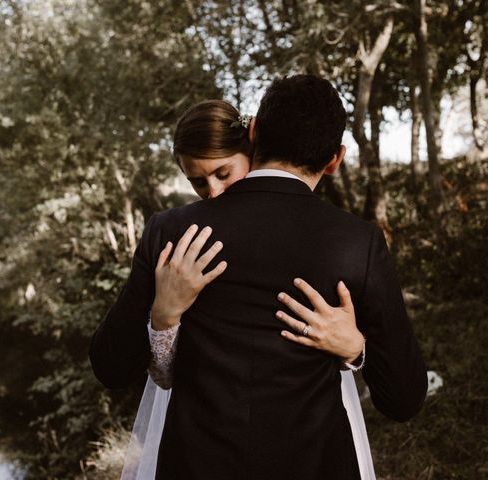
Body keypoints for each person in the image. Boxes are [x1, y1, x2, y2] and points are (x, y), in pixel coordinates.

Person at [90, 75, 428, 480]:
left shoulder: (170, 232)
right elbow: (403, 400)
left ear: (254, 133)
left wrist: (161, 316)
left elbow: (110, 369)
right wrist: (357, 349)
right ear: (335, 159)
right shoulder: (359, 243)